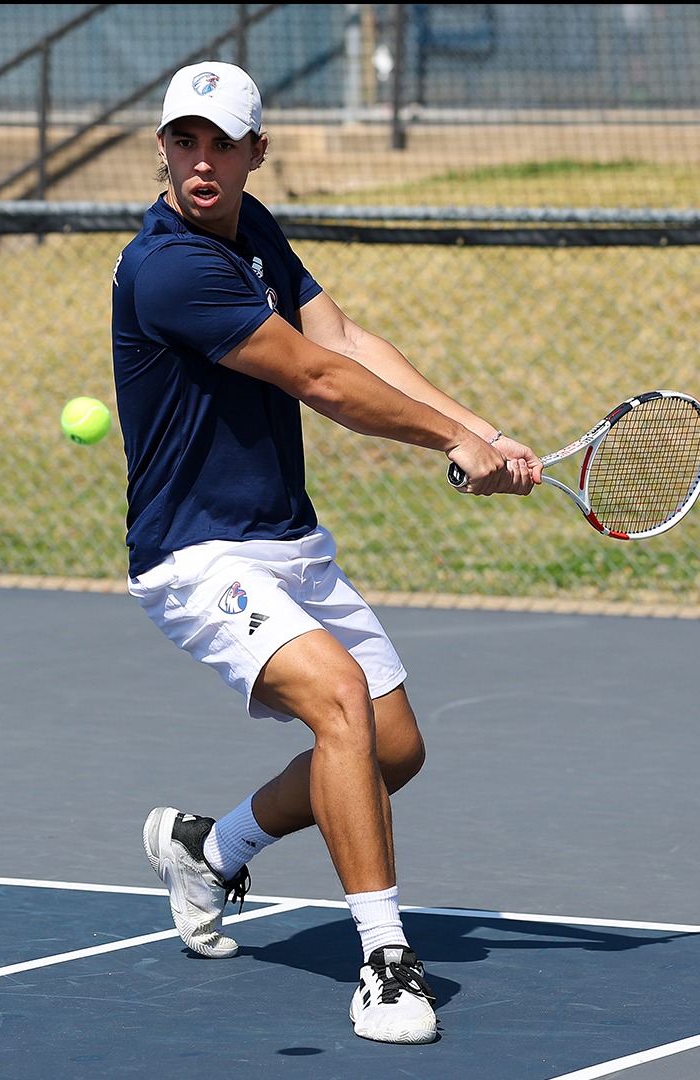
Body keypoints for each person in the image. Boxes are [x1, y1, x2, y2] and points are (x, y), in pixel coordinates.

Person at [110, 61, 539, 1045]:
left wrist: (480, 427)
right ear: (164, 148)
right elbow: (320, 380)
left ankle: (209, 851)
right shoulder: (169, 265)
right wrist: (446, 442)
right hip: (195, 556)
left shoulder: (250, 229)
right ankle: (385, 965)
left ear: (258, 153)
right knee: (341, 698)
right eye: (185, 140)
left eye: (222, 143)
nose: (202, 161)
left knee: (393, 751)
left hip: (287, 541)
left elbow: (338, 333)